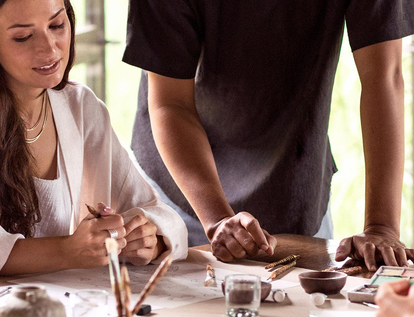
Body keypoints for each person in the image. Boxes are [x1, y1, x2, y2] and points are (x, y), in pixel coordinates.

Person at [122, 0, 414, 269]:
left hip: (293, 184)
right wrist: (218, 219)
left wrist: (381, 228)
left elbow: (383, 77)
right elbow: (171, 104)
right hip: (184, 191)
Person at [0, 0, 188, 281]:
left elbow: (159, 214)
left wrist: (149, 239)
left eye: (57, 25)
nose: (50, 48)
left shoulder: (80, 107)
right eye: (23, 37)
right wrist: (66, 252)